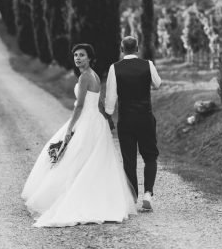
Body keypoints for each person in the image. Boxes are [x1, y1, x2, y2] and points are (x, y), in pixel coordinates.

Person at [21, 43, 136, 227]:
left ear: (89, 58)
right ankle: (100, 198)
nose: (78, 58)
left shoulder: (84, 77)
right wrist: (107, 118)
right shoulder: (95, 75)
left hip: (87, 122)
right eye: (75, 55)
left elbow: (80, 106)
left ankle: (73, 197)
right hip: (97, 122)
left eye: (82, 55)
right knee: (94, 161)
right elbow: (97, 102)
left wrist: (69, 128)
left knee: (75, 158)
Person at [105, 36, 162, 211]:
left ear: (122, 50)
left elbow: (111, 98)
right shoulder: (148, 64)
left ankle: (132, 197)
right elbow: (157, 84)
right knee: (150, 156)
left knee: (129, 159)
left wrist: (108, 117)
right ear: (137, 48)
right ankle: (148, 194)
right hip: (145, 117)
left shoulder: (115, 68)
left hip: (126, 119)